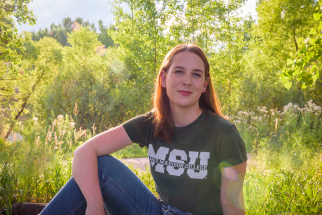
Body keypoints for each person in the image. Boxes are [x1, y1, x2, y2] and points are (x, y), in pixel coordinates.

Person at [40, 44, 247, 215]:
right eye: (179, 71)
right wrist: (95, 205)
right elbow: (83, 152)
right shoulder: (151, 123)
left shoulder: (224, 133)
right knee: (101, 166)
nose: (186, 81)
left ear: (204, 84)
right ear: (164, 79)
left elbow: (232, 205)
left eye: (196, 75)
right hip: (159, 211)